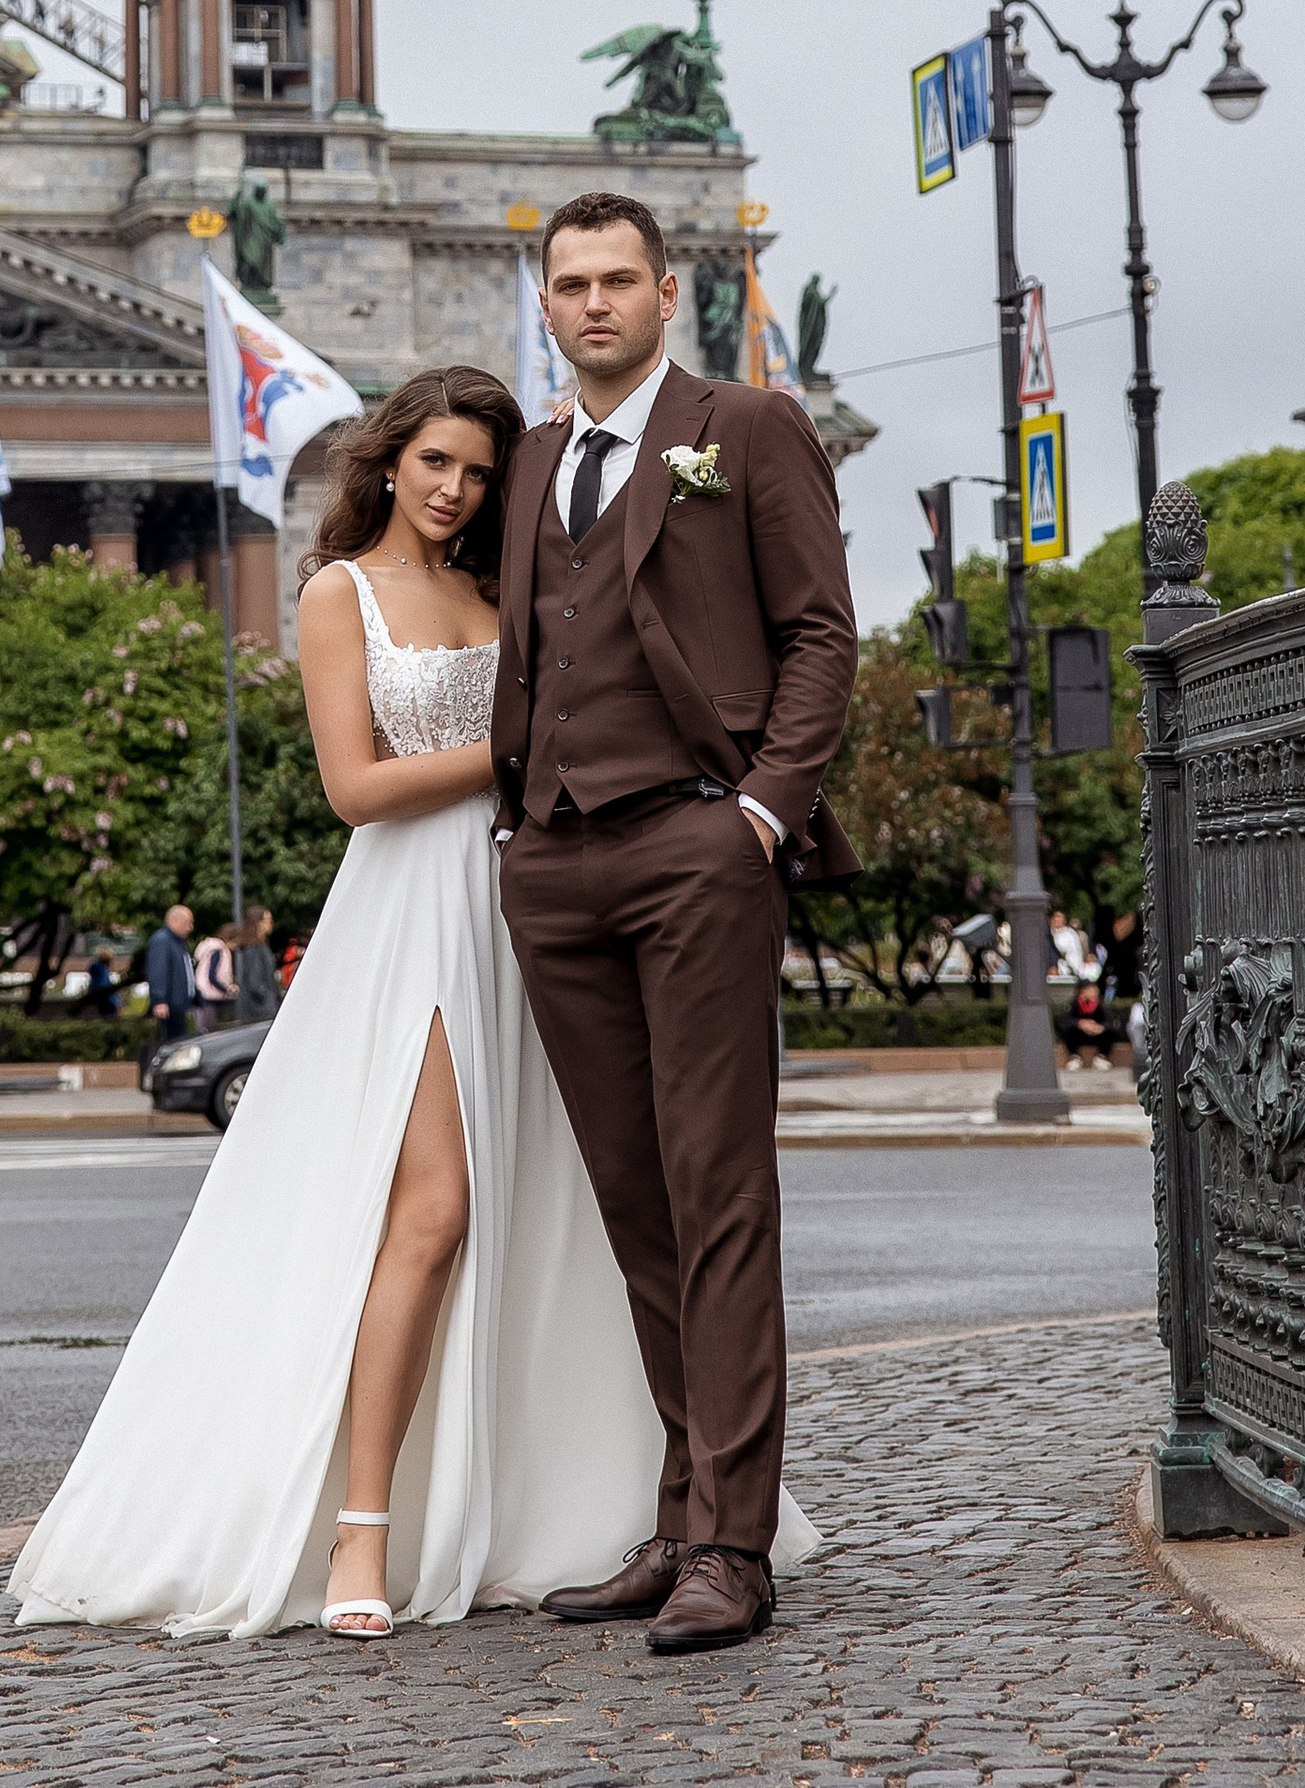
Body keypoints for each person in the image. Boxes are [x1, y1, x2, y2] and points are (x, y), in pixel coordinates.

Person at [10, 363, 795, 1643]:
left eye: (481, 472)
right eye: (435, 462)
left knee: (569, 1209)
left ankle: (584, 1506)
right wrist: (527, 748)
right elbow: (354, 788)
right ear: (385, 461)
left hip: (538, 897)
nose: (455, 489)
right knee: (431, 1214)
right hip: (416, 911)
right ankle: (360, 1531)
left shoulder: (509, 585)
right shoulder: (338, 591)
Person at [491, 190, 857, 1659]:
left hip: (697, 844)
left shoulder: (745, 427)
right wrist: (516, 828)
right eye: (570, 283)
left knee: (719, 1199)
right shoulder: (532, 459)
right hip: (555, 863)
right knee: (637, 1211)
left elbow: (821, 631)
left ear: (666, 292)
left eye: (618, 280)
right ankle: (677, 1509)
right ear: (544, 304)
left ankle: (732, 1546)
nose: (594, 302)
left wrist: (761, 812)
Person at [143, 904, 196, 1063]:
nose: (190, 928)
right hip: (170, 1005)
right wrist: (160, 1000)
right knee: (171, 1043)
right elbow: (158, 971)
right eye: (187, 922)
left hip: (179, 1003)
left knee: (180, 1042)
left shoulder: (178, 943)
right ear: (174, 921)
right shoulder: (162, 941)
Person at [232, 909, 280, 1025]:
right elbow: (255, 983)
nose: (271, 923)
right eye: (268, 920)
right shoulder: (253, 949)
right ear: (257, 923)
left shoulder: (260, 946)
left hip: (262, 1006)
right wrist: (270, 1001)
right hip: (260, 1009)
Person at [191, 923, 236, 1030]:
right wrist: (227, 989)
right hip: (209, 994)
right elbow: (212, 976)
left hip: (202, 992)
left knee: (203, 1025)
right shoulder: (219, 950)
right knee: (208, 1027)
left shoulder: (211, 949)